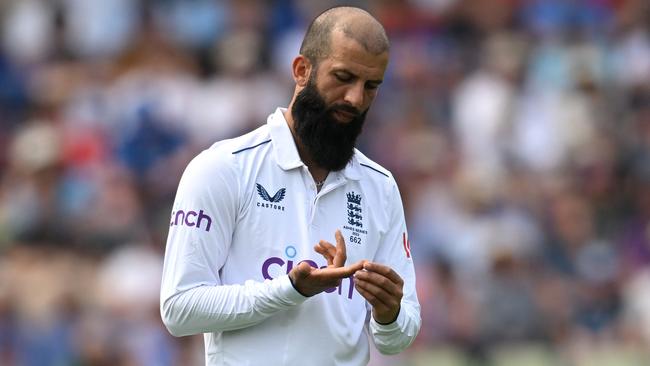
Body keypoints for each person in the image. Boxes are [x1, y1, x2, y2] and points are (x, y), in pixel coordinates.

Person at [160, 6, 421, 365]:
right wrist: (291, 289)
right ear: (301, 70)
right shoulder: (223, 168)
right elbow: (179, 309)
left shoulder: (380, 187)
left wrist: (389, 313)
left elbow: (396, 338)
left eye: (370, 86)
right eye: (343, 77)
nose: (355, 99)